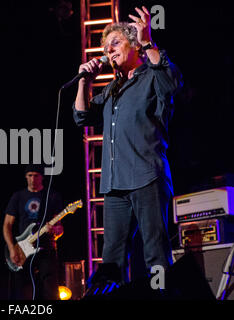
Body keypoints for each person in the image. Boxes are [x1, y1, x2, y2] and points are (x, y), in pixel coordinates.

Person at [72, 7, 183, 283]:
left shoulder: (152, 76)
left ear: (134, 46)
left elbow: (171, 82)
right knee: (111, 259)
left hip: (147, 178)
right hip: (114, 186)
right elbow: (82, 116)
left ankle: (162, 295)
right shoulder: (111, 89)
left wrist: (148, 41)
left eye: (115, 43)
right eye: (105, 47)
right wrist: (84, 82)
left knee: (155, 252)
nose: (109, 50)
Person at [2, 164, 64, 300]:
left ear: (42, 177)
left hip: (46, 249)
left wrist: (54, 230)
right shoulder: (18, 196)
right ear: (25, 177)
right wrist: (12, 249)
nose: (32, 179)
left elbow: (60, 229)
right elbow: (7, 225)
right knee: (23, 291)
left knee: (50, 291)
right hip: (22, 250)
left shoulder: (52, 196)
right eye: (29, 175)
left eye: (36, 175)